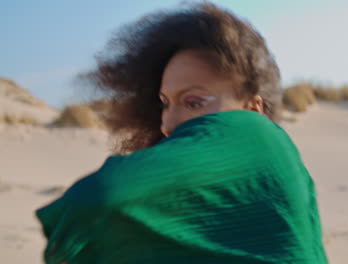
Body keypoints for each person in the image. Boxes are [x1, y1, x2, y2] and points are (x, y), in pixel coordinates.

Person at [36, 2, 328, 263]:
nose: (168, 122)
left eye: (194, 102)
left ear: (252, 108)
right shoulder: (219, 199)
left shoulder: (258, 134)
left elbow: (98, 198)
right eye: (165, 103)